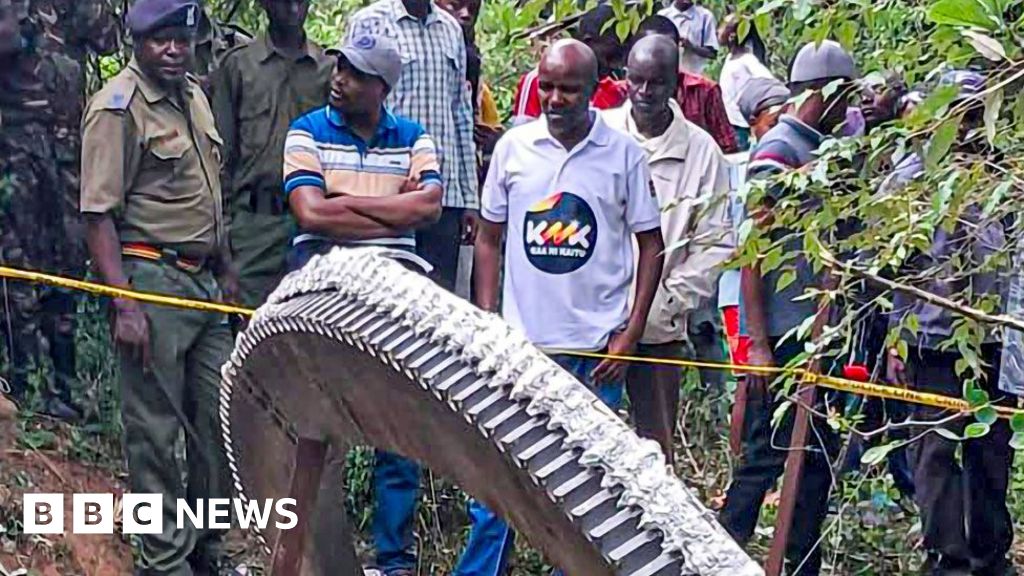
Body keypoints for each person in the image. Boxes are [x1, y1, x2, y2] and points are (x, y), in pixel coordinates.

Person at [453, 39, 664, 576]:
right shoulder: (513, 148)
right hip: (522, 351)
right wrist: (488, 318)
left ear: (593, 91)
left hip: (597, 352)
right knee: (500, 484)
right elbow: (488, 238)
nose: (554, 98)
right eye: (547, 86)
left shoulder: (623, 155)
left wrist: (631, 332)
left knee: (587, 486)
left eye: (568, 88)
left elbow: (651, 244)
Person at [80, 0, 235, 573]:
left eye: (182, 39)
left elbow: (209, 192)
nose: (173, 49)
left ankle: (206, 548)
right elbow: (97, 216)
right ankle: (164, 560)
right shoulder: (117, 108)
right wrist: (124, 302)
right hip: (150, 278)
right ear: (136, 43)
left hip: (204, 285)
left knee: (217, 423)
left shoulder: (193, 95)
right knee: (155, 432)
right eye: (160, 40)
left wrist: (226, 269)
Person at [720, 40, 859, 575]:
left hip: (821, 327)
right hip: (783, 331)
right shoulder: (779, 152)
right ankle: (725, 549)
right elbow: (753, 252)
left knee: (816, 458)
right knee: (765, 453)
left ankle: (802, 563)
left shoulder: (827, 148)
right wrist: (757, 342)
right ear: (824, 92)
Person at [886, 70, 1014, 576]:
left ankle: (990, 556)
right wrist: (897, 339)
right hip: (931, 338)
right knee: (935, 454)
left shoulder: (1004, 178)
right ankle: (947, 561)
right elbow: (895, 266)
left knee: (991, 452)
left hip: (992, 338)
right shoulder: (913, 178)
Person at [603, 35, 733, 463]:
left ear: (674, 84)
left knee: (655, 454)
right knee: (584, 447)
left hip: (660, 327)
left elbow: (716, 242)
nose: (643, 93)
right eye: (635, 81)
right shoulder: (599, 133)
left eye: (655, 83)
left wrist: (670, 300)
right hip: (594, 322)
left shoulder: (701, 151)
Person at [0, 0, 117, 419]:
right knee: (20, 266)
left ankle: (65, 385)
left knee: (67, 263)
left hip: (69, 152)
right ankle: (25, 382)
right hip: (16, 145)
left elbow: (109, 40)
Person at [345, 0, 478, 295]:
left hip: (445, 196)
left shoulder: (450, 28)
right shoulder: (370, 21)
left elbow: (461, 113)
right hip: (387, 193)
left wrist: (469, 198)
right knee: (384, 299)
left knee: (436, 302)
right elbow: (351, 107)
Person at [211, 0, 332, 308]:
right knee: (252, 334)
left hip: (313, 225)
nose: (292, 9)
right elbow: (219, 162)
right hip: (253, 226)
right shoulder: (239, 66)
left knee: (312, 329)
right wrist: (225, 249)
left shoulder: (327, 70)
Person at [634, 15, 738, 153]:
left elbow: (727, 145)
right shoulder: (625, 92)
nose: (657, 57)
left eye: (666, 49)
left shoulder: (704, 91)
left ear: (678, 49)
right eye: (650, 49)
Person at [510, 4, 627, 125]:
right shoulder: (538, 79)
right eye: (612, 53)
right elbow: (522, 132)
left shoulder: (613, 90)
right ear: (589, 41)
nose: (616, 63)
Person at [718, 14, 775, 149]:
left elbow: (770, 82)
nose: (718, 30)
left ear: (732, 35)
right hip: (732, 124)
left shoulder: (747, 61)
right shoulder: (731, 58)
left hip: (742, 126)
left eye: (723, 27)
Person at [657, 0, 718, 75]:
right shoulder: (663, 15)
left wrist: (691, 47)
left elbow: (712, 53)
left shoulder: (705, 16)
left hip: (694, 77)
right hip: (667, 76)